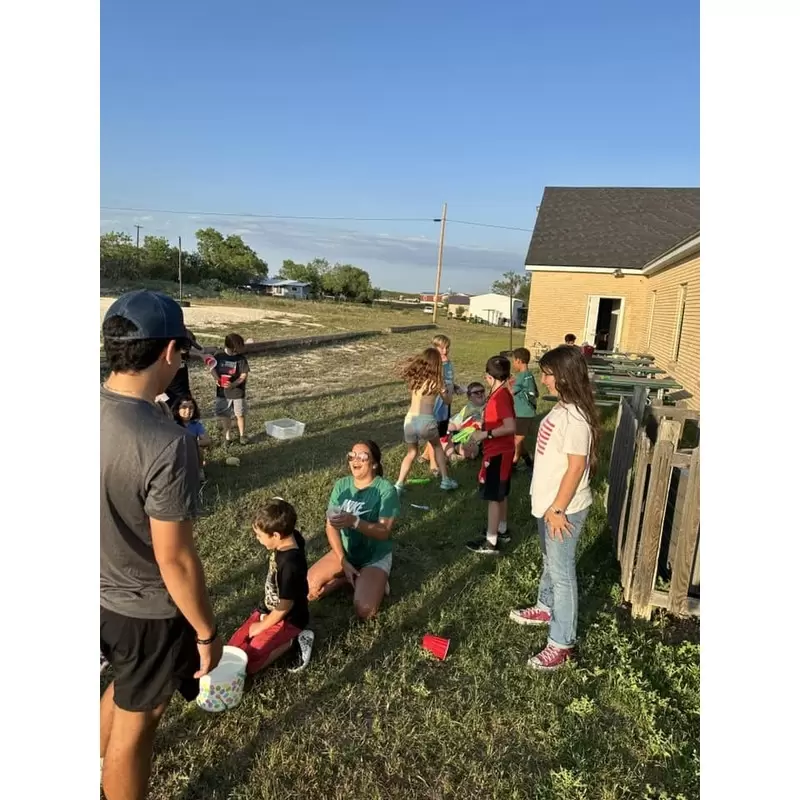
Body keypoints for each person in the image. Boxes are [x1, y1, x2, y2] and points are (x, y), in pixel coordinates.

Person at [100, 290, 222, 800]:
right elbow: (173, 559)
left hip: (95, 594)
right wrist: (206, 631)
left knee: (119, 685)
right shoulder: (167, 442)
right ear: (171, 352)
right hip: (145, 609)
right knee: (139, 723)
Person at [508, 345, 601, 671]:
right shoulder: (565, 407)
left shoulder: (576, 417)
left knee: (563, 575)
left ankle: (562, 643)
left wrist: (559, 508)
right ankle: (546, 606)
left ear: (562, 376)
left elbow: (576, 467)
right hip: (549, 505)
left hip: (563, 509)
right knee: (550, 560)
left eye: (548, 374)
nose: (543, 379)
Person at [307, 441, 400, 619]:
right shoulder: (342, 485)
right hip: (347, 551)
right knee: (310, 587)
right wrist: (342, 559)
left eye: (362, 456)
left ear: (374, 464)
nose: (355, 460)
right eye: (352, 455)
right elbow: (330, 525)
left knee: (365, 610)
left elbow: (383, 531)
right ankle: (348, 577)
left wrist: (354, 521)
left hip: (374, 556)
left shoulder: (386, 490)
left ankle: (374, 578)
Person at [227, 499, 315, 674]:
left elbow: (285, 606)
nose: (258, 539)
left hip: (288, 619)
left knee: (249, 663)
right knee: (233, 650)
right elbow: (281, 507)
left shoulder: (291, 564)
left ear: (276, 535)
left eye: (259, 535)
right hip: (267, 610)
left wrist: (261, 627)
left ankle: (295, 639)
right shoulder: (291, 535)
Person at [466, 356, 517, 554]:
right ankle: (501, 529)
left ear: (488, 376)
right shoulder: (500, 393)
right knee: (501, 492)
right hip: (501, 451)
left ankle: (491, 541)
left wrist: (484, 434)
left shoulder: (499, 397)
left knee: (493, 497)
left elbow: (510, 426)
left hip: (497, 453)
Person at [395, 348, 458, 492]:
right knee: (437, 447)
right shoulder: (437, 382)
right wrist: (449, 388)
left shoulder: (414, 379)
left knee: (411, 453)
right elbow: (447, 401)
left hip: (410, 420)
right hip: (426, 421)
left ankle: (399, 484)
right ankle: (445, 480)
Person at [422, 334, 458, 468]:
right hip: (434, 404)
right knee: (433, 433)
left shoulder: (449, 364)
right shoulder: (432, 365)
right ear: (434, 348)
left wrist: (455, 387)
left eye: (447, 348)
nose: (445, 351)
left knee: (439, 432)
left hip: (445, 404)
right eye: (441, 348)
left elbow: (449, 381)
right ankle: (433, 464)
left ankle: (426, 455)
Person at [211, 333, 250, 444]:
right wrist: (216, 379)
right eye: (235, 349)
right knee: (225, 415)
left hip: (237, 392)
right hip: (222, 393)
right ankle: (227, 437)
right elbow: (212, 368)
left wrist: (234, 384)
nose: (237, 352)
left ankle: (242, 435)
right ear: (229, 347)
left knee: (240, 414)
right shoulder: (219, 355)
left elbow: (243, 375)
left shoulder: (241, 359)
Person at [510, 347, 538, 470]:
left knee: (516, 440)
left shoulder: (521, 376)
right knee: (519, 439)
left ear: (519, 361)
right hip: (523, 413)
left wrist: (506, 383)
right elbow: (535, 392)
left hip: (524, 414)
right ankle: (528, 461)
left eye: (513, 361)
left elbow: (511, 391)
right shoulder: (529, 375)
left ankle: (513, 463)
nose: (513, 363)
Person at [164, 329, 204, 410]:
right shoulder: (164, 358)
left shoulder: (184, 354)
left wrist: (202, 356)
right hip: (169, 395)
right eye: (186, 344)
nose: (188, 347)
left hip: (184, 393)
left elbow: (192, 353)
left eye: (190, 345)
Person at [173, 396, 211, 481]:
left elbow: (207, 440)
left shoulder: (196, 425)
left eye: (191, 408)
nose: (188, 411)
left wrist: (193, 442)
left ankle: (199, 470)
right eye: (184, 407)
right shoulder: (173, 425)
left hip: (191, 451)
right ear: (177, 409)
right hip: (177, 453)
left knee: (199, 449)